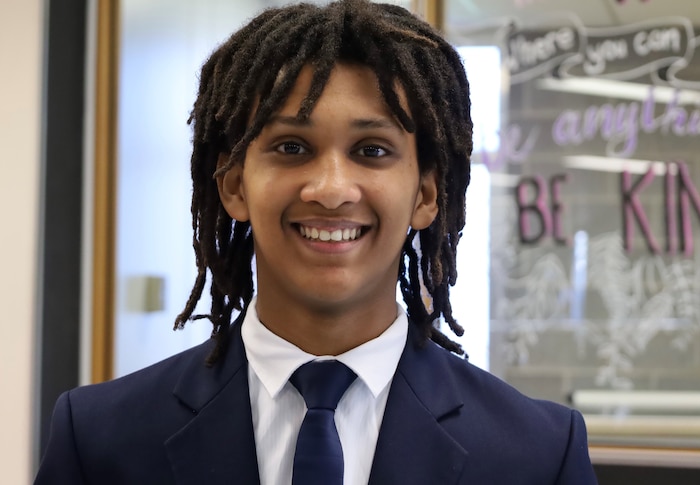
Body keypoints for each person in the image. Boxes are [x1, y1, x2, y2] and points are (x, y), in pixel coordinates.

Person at [35, 1, 598, 483]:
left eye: (372, 150)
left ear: (426, 195)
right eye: (291, 148)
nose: (330, 190)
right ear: (234, 185)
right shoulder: (100, 438)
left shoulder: (538, 454)